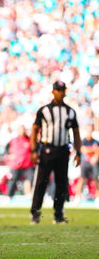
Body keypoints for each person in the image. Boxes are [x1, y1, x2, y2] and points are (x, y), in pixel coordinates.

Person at [30, 81, 82, 225]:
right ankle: (35, 213)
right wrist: (34, 150)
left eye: (63, 90)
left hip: (63, 150)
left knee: (61, 183)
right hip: (46, 150)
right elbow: (34, 130)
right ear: (53, 91)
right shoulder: (44, 110)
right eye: (58, 90)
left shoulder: (70, 112)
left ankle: (58, 215)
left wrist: (79, 152)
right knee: (41, 182)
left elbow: (76, 133)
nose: (61, 93)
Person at [5, 124, 34, 199]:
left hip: (27, 165)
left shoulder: (29, 139)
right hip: (16, 165)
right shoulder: (13, 140)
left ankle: (29, 195)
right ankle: (8, 196)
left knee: (31, 179)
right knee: (12, 180)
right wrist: (9, 155)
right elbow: (7, 149)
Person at [75, 124, 99, 202]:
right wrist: (93, 149)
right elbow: (83, 149)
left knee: (96, 179)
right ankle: (77, 197)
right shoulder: (83, 141)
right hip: (85, 163)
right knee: (81, 179)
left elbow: (97, 151)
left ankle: (97, 197)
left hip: (93, 163)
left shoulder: (95, 141)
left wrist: (94, 154)